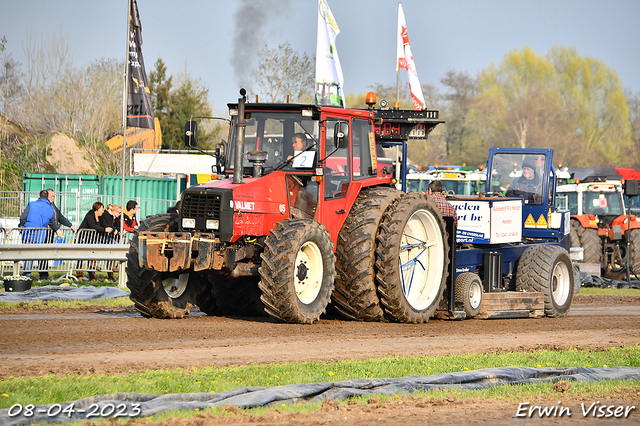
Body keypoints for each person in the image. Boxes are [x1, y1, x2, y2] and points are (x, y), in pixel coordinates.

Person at [37, 189, 77, 281]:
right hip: (43, 233)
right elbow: (49, 220)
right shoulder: (44, 206)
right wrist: (56, 228)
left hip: (51, 232)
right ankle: (42, 275)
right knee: (42, 254)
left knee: (46, 254)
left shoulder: (53, 206)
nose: (52, 198)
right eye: (51, 196)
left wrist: (70, 225)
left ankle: (45, 274)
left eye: (53, 196)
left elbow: (60, 217)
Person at [18, 190, 54, 277]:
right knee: (40, 254)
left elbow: (23, 217)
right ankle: (43, 275)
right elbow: (52, 222)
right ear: (47, 197)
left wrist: (21, 225)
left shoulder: (31, 204)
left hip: (28, 233)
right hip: (41, 235)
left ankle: (26, 275)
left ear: (39, 195)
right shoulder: (50, 208)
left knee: (27, 254)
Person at [76, 201, 112, 282]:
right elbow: (92, 226)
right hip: (83, 238)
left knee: (93, 256)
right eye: (102, 209)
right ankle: (79, 275)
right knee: (81, 257)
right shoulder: (89, 215)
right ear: (97, 209)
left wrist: (111, 229)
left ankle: (91, 275)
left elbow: (104, 225)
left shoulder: (101, 217)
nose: (103, 211)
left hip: (93, 240)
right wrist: (104, 229)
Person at [100, 204, 122, 282]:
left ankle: (111, 270)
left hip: (111, 237)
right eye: (119, 212)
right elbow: (107, 225)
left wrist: (117, 230)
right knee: (115, 247)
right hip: (103, 237)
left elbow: (119, 226)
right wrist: (114, 229)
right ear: (114, 211)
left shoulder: (115, 218)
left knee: (116, 248)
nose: (120, 214)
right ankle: (111, 268)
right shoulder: (106, 215)